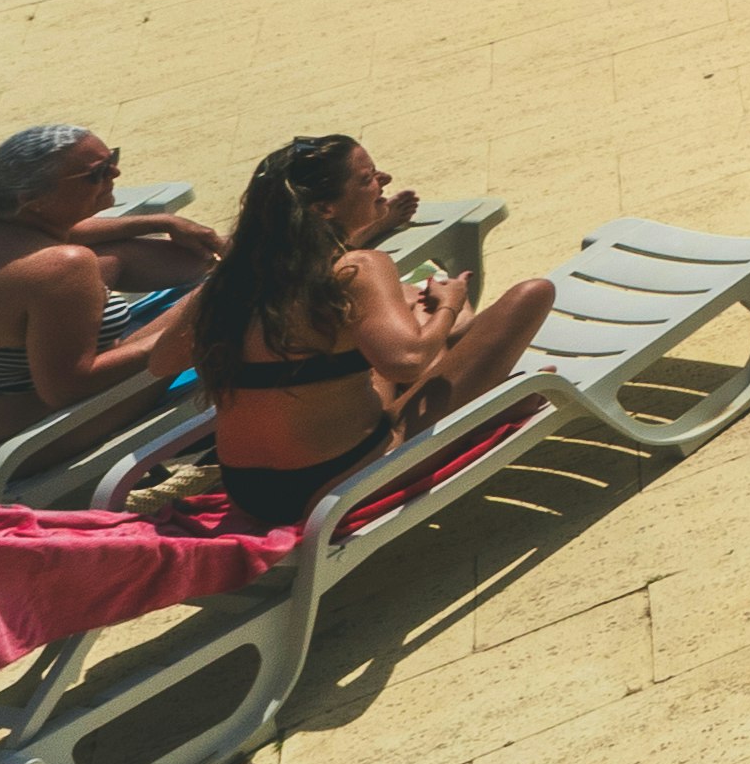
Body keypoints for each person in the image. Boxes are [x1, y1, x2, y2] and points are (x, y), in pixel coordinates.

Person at [192, 134, 555, 528]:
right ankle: (484, 397)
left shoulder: (230, 279)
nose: (383, 178)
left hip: (250, 492)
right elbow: (407, 363)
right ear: (325, 208)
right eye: (366, 178)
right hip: (337, 482)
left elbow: (162, 360)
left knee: (387, 325)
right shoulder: (359, 268)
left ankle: (466, 363)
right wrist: (449, 304)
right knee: (531, 294)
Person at [0, 124, 221, 493]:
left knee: (113, 255)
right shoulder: (62, 266)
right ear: (33, 199)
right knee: (224, 294)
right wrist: (176, 335)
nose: (115, 174)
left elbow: (66, 237)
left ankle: (216, 262)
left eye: (111, 160)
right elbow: (68, 388)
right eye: (96, 174)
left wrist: (163, 221)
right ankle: (227, 274)